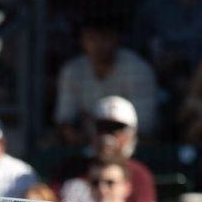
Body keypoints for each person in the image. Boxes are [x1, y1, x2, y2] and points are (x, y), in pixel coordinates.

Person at [53, 15, 158, 144]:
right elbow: (64, 120)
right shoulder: (72, 70)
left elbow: (144, 128)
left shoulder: (138, 69)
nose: (98, 45)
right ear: (83, 41)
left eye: (105, 38)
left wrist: (109, 134)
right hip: (83, 145)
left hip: (129, 148)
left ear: (116, 39)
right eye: (91, 38)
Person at [53, 96, 156, 202]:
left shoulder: (139, 175)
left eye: (116, 129)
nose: (107, 136)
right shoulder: (71, 168)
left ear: (131, 134)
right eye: (102, 127)